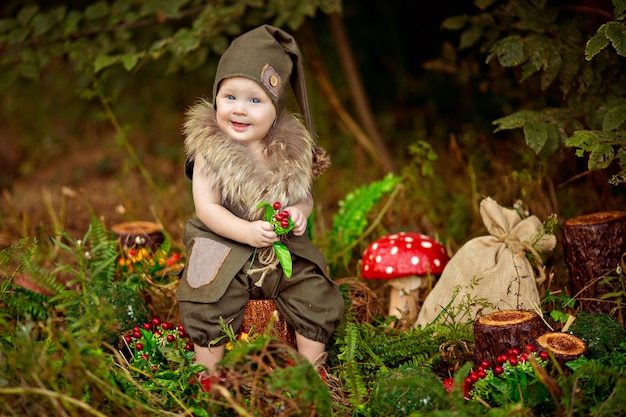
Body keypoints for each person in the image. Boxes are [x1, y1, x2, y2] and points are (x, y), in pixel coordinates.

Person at [176, 25, 345, 382]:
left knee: (314, 288)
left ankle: (312, 371)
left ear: (275, 107)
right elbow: (207, 209)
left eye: (255, 100)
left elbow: (303, 196)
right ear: (216, 98)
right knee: (206, 294)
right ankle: (209, 375)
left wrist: (299, 213)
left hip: (277, 245)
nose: (239, 110)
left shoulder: (288, 150)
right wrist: (246, 231)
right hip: (221, 240)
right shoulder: (210, 151)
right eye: (229, 97)